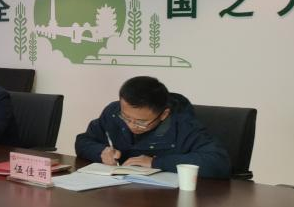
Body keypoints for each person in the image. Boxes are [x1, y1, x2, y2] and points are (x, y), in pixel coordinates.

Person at [75, 76, 231, 178]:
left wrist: (155, 163)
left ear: (163, 114)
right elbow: (83, 141)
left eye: (141, 122)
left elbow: (218, 162)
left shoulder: (183, 124)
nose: (131, 125)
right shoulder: (113, 113)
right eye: (126, 117)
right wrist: (101, 152)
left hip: (166, 202)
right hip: (119, 194)